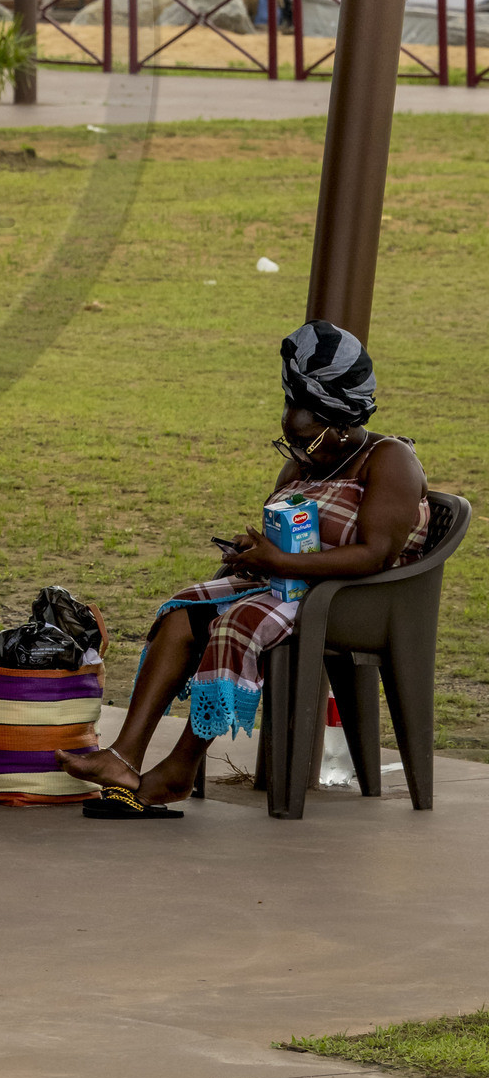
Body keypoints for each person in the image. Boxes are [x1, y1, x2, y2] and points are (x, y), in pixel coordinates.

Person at [57, 322, 430, 818]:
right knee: (184, 608)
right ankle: (123, 757)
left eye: (306, 442)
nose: (297, 456)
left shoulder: (389, 461)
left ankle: (180, 768)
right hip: (289, 586)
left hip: (351, 600)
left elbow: (375, 554)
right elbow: (287, 535)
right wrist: (253, 552)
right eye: (289, 443)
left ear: (341, 425)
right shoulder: (305, 463)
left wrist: (280, 561)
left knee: (235, 623)